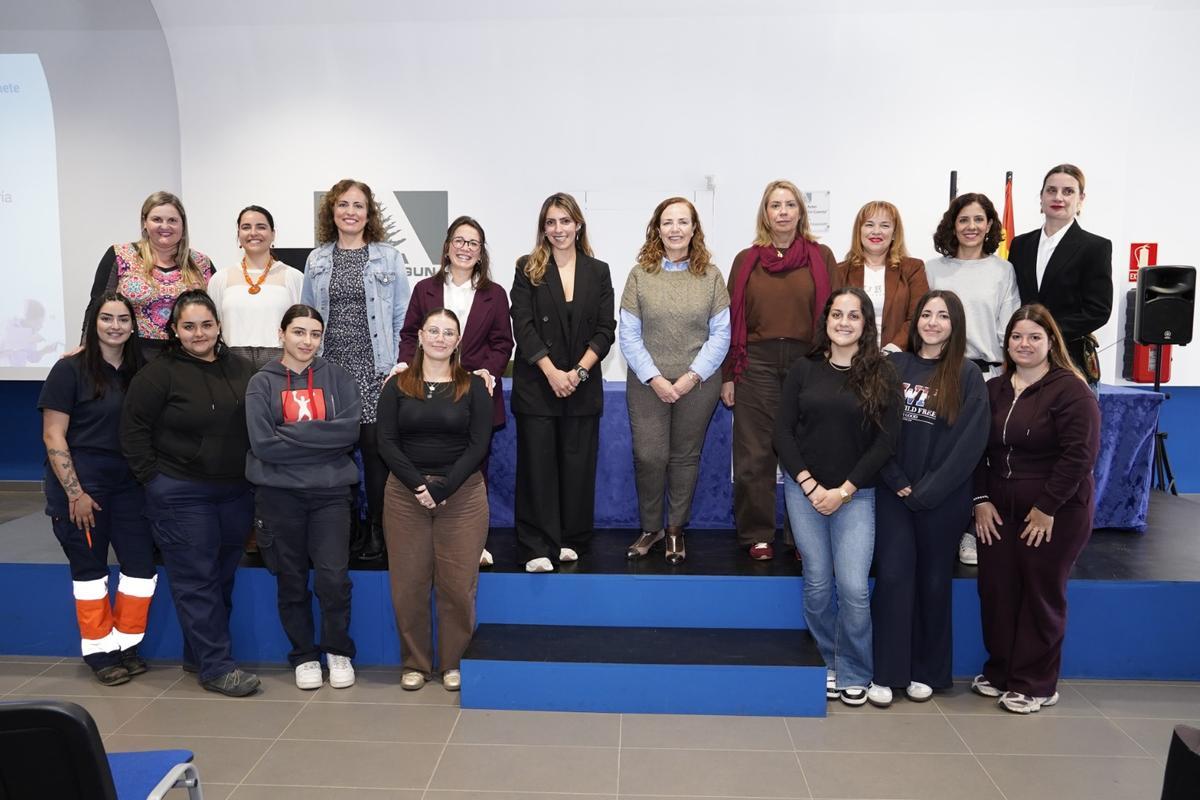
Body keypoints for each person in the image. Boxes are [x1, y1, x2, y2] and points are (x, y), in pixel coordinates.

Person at [120, 290, 260, 697]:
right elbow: (133, 433)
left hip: (235, 493)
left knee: (221, 578)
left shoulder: (242, 368)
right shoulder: (158, 374)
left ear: (218, 326)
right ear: (175, 330)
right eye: (189, 326)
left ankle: (199, 654)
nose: (199, 333)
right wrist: (154, 481)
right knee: (197, 579)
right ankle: (217, 667)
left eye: (206, 324)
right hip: (181, 494)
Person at [972, 304, 1100, 714]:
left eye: (1033, 337)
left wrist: (1047, 508)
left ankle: (1036, 683)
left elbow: (1080, 456)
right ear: (1006, 343)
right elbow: (973, 452)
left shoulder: (1071, 389)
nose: (1024, 344)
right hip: (998, 511)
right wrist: (980, 500)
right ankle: (1001, 671)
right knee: (997, 591)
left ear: (1050, 343)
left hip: (1055, 513)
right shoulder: (993, 390)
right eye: (1016, 337)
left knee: (1040, 594)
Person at [774, 287, 899, 706]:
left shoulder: (883, 374)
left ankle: (856, 670)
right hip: (804, 491)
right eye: (837, 315)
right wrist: (809, 485)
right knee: (817, 584)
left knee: (853, 587)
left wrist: (844, 491)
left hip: (856, 495)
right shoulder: (803, 369)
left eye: (854, 316)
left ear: (866, 325)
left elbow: (885, 444)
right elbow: (782, 433)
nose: (844, 322)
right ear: (825, 321)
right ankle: (828, 661)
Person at [868, 290, 989, 707]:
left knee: (935, 583)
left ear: (955, 324)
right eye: (926, 314)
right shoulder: (892, 365)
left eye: (942, 316)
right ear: (915, 320)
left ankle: (927, 672)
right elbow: (874, 428)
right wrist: (898, 479)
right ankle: (886, 672)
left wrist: (930, 489)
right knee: (894, 578)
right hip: (893, 493)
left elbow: (970, 443)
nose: (932, 322)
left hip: (943, 499)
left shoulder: (968, 375)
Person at [39, 292, 155, 686]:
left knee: (140, 570)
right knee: (90, 574)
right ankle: (100, 653)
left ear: (133, 325)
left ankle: (127, 645)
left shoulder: (140, 369)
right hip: (82, 489)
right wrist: (75, 493)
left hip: (129, 487)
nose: (115, 326)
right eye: (107, 318)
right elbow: (54, 434)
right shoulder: (69, 369)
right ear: (94, 322)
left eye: (123, 319)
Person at [245, 305, 361, 690]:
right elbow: (263, 443)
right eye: (298, 332)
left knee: (332, 577)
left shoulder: (338, 377)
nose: (306, 341)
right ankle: (304, 655)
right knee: (291, 579)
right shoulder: (261, 383)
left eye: (314, 334)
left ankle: (337, 650)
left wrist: (289, 436)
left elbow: (347, 433)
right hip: (280, 497)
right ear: (282, 334)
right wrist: (319, 439)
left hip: (330, 496)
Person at [722, 179, 837, 561]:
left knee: (807, 452)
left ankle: (803, 537)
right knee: (755, 453)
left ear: (800, 212)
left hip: (810, 362)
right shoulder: (746, 259)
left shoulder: (821, 257)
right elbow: (730, 321)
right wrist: (728, 376)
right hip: (755, 363)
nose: (783, 211)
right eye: (775, 205)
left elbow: (836, 316)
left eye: (790, 204)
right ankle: (757, 534)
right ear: (765, 214)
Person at [378, 308, 491, 691]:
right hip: (405, 495)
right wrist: (418, 486)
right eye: (434, 331)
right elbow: (386, 442)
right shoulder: (396, 385)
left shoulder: (473, 385)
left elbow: (479, 444)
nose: (440, 338)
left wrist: (443, 488)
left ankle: (454, 663)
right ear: (420, 336)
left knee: (458, 585)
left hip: (462, 495)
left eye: (449, 332)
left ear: (458, 341)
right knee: (408, 584)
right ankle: (415, 663)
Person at [302, 178, 411, 561]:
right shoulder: (317, 260)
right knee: (337, 456)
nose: (351, 211)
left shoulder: (388, 257)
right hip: (332, 372)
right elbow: (308, 317)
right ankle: (347, 529)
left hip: (376, 370)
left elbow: (401, 315)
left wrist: (398, 366)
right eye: (343, 204)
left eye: (358, 205)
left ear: (369, 213)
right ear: (332, 211)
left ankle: (380, 533)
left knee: (377, 455)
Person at [398, 216, 513, 567]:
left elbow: (502, 343)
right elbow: (408, 335)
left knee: (475, 467)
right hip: (428, 392)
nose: (465, 248)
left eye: (473, 243)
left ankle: (474, 543)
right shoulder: (424, 289)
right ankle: (425, 540)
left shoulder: (495, 294)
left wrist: (487, 372)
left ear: (481, 253)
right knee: (427, 459)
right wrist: (405, 367)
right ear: (447, 247)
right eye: (459, 241)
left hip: (474, 393)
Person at [619, 197, 730, 564]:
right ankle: (651, 528)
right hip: (648, 383)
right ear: (657, 228)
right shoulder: (640, 274)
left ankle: (675, 530)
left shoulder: (711, 275)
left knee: (685, 457)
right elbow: (629, 334)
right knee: (649, 456)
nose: (676, 229)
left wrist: (689, 377)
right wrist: (655, 377)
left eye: (683, 222)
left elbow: (721, 335)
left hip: (698, 383)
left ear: (694, 228)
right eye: (668, 222)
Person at [510, 192, 615, 573]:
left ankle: (571, 538)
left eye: (565, 221)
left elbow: (606, 330)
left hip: (581, 384)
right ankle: (536, 544)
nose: (558, 229)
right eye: (551, 222)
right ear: (543, 228)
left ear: (578, 224)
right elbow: (522, 325)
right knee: (537, 467)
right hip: (538, 383)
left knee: (577, 466)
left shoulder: (598, 270)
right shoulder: (527, 268)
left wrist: (579, 373)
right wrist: (553, 373)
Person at [924, 192, 1020, 566]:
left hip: (986, 374)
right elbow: (925, 322)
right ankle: (941, 526)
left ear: (990, 225)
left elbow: (1008, 326)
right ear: (953, 224)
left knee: (978, 455)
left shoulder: (1002, 271)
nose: (971, 227)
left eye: (979, 219)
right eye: (964, 219)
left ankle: (970, 531)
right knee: (939, 454)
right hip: (940, 374)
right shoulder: (934, 269)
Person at [1008, 164, 1113, 384]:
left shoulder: (1095, 247)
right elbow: (1012, 299)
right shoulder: (1020, 245)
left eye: (1068, 191)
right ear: (1041, 197)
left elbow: (1098, 310)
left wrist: (1045, 333)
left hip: (1069, 360)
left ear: (1080, 199)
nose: (1058, 197)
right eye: (1051, 190)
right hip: (1022, 361)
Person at [88, 191, 215, 361]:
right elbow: (97, 304)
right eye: (157, 219)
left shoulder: (201, 263)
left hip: (189, 360)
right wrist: (85, 346)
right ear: (144, 223)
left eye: (172, 220)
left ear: (182, 226)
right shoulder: (120, 255)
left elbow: (215, 312)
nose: (165, 226)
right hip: (130, 359)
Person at [207, 205, 305, 369]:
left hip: (281, 367)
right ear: (238, 235)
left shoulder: (294, 277)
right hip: (231, 368)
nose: (253, 233)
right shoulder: (220, 279)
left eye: (261, 227)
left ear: (273, 234)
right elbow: (213, 328)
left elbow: (303, 328)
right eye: (246, 227)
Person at [833, 201, 928, 353]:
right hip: (851, 359)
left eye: (885, 225)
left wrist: (893, 350)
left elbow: (918, 316)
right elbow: (834, 318)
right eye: (869, 224)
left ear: (894, 233)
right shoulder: (840, 271)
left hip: (898, 358)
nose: (876, 231)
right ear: (859, 231)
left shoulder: (913, 269)